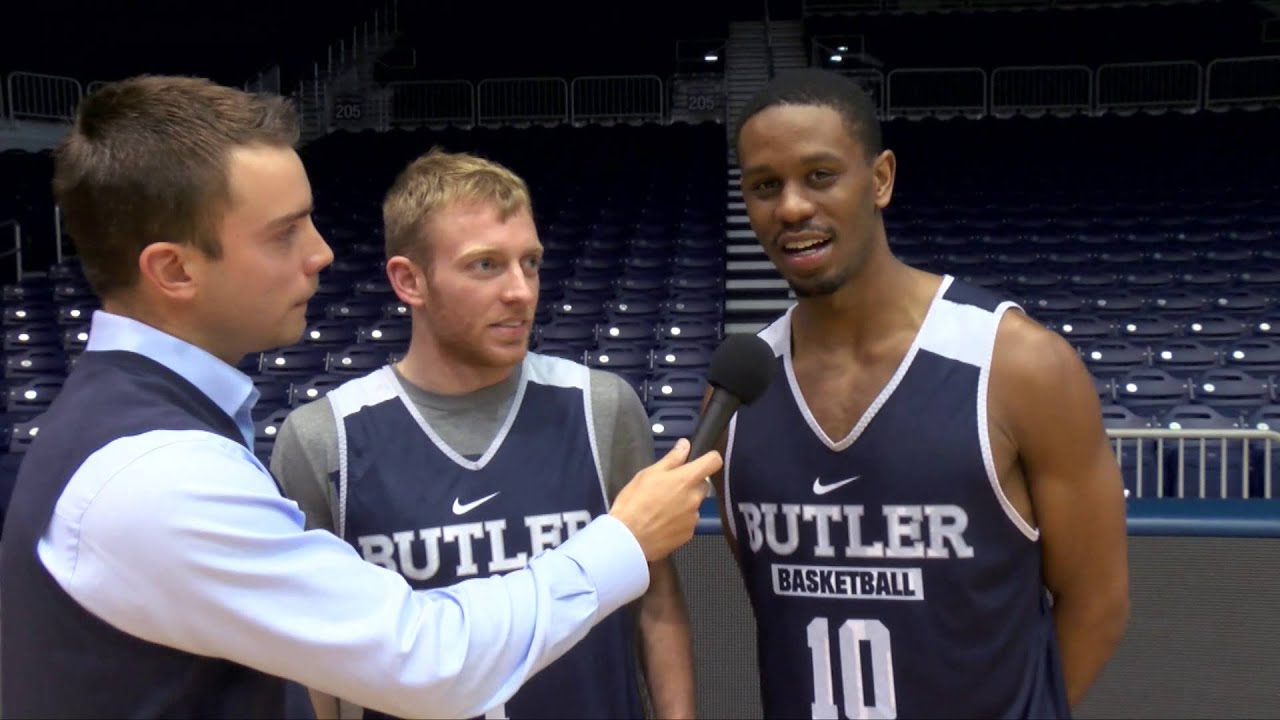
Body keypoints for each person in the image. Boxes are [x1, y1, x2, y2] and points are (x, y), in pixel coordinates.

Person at [0, 75, 721, 720]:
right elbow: (432, 662)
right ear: (174, 270)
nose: (322, 253)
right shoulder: (153, 477)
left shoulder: (136, 432)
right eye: (285, 234)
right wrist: (621, 540)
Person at [708, 68, 1130, 719]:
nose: (791, 207)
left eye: (820, 175)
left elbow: (1098, 604)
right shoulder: (738, 393)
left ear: (880, 179)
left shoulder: (1018, 364)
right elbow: (777, 608)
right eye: (766, 186)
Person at [270, 148, 698, 720]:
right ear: (409, 281)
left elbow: (654, 597)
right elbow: (312, 651)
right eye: (485, 265)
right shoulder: (325, 439)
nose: (521, 291)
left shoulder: (600, 407)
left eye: (531, 262)